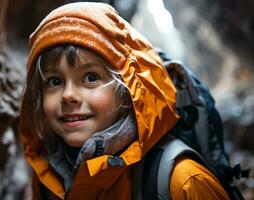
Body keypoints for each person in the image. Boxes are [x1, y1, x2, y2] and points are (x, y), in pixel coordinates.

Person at [19, 2, 230, 199]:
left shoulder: (184, 182)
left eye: (91, 78)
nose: (68, 96)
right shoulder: (48, 177)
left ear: (127, 91)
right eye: (54, 81)